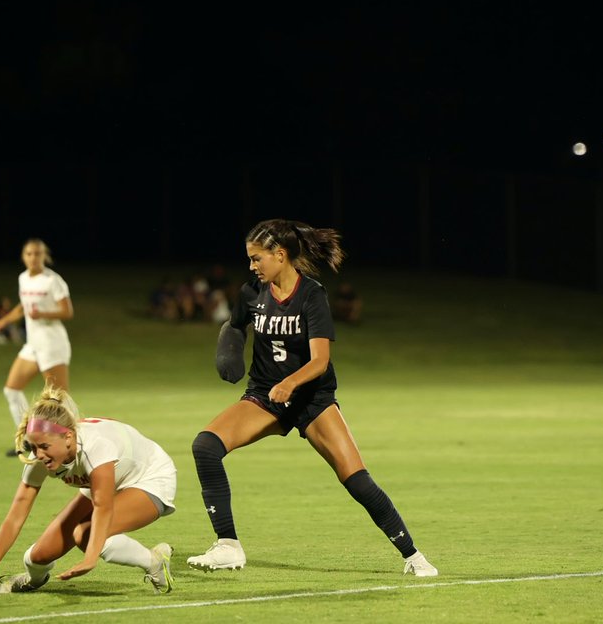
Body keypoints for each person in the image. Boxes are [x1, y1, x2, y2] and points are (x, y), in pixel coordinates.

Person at [186, 218, 438, 578]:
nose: (252, 266)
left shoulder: (311, 294)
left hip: (312, 400)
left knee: (356, 478)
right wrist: (230, 348)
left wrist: (290, 383)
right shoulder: (250, 293)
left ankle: (413, 556)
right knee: (205, 446)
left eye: (257, 259)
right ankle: (227, 545)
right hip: (265, 397)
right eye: (250, 259)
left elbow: (320, 361)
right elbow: (236, 323)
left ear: (280, 255)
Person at [0, 385, 176, 594]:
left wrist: (90, 557)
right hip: (106, 479)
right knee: (38, 556)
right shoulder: (41, 459)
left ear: (68, 437)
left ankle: (154, 562)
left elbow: (103, 507)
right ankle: (33, 580)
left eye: (44, 447)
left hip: (150, 476)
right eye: (33, 447)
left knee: (85, 535)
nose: (38, 454)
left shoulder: (95, 447)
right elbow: (15, 516)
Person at [0, 238, 74, 455]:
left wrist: (44, 313)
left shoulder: (53, 280)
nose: (33, 257)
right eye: (29, 254)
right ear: (23, 256)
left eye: (37, 254)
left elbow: (67, 312)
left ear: (44, 256)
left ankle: (75, 443)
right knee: (11, 390)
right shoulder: (23, 278)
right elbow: (23, 307)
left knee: (59, 399)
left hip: (52, 343)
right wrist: (5, 321)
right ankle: (29, 440)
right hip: (33, 344)